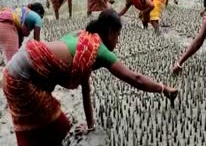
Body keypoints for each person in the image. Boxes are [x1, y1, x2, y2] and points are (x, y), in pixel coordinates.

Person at [2, 9, 178, 146]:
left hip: (18, 69)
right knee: (55, 126)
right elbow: (135, 78)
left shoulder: (85, 42)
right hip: (20, 77)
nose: (117, 41)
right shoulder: (98, 50)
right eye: (117, 36)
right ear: (109, 32)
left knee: (50, 127)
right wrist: (163, 88)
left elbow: (86, 89)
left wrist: (90, 126)